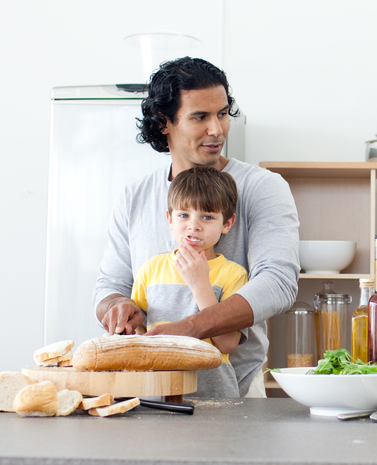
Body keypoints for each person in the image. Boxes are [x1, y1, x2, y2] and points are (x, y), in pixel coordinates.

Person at [93, 57, 300, 398]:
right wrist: (116, 307)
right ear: (164, 123)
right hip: (146, 389)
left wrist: (191, 328)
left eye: (222, 113)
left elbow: (278, 283)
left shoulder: (263, 187)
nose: (217, 129)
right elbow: (110, 285)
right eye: (200, 117)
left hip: (236, 391)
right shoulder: (134, 197)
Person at [131, 167, 247, 397]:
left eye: (207, 217)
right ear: (170, 219)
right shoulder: (150, 269)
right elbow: (140, 332)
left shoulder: (233, 274)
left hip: (214, 394)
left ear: (227, 223)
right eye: (183, 215)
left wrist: (200, 284)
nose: (193, 226)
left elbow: (227, 344)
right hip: (155, 393)